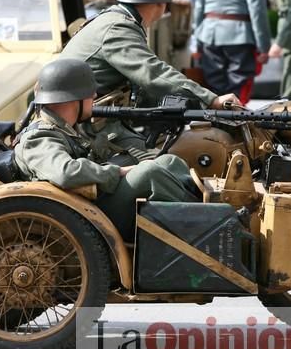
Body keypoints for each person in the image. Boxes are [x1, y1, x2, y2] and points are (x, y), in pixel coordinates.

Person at [61, 0, 240, 151]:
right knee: (165, 167)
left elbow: (140, 88)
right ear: (161, 3)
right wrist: (210, 99)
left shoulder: (115, 20)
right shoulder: (118, 29)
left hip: (86, 121)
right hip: (80, 129)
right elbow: (153, 73)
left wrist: (196, 104)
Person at [14, 58, 198, 240]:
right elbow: (66, 172)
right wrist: (116, 171)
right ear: (72, 99)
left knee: (168, 162)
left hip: (89, 206)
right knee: (149, 173)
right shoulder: (38, 138)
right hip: (83, 218)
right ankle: (205, 227)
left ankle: (204, 206)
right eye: (89, 92)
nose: (94, 97)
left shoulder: (65, 128)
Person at [194, 0, 271, 103]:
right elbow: (257, 11)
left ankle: (217, 126)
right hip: (240, 37)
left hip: (210, 35)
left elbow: (199, 9)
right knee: (237, 91)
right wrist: (264, 47)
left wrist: (197, 42)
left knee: (214, 91)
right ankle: (233, 127)